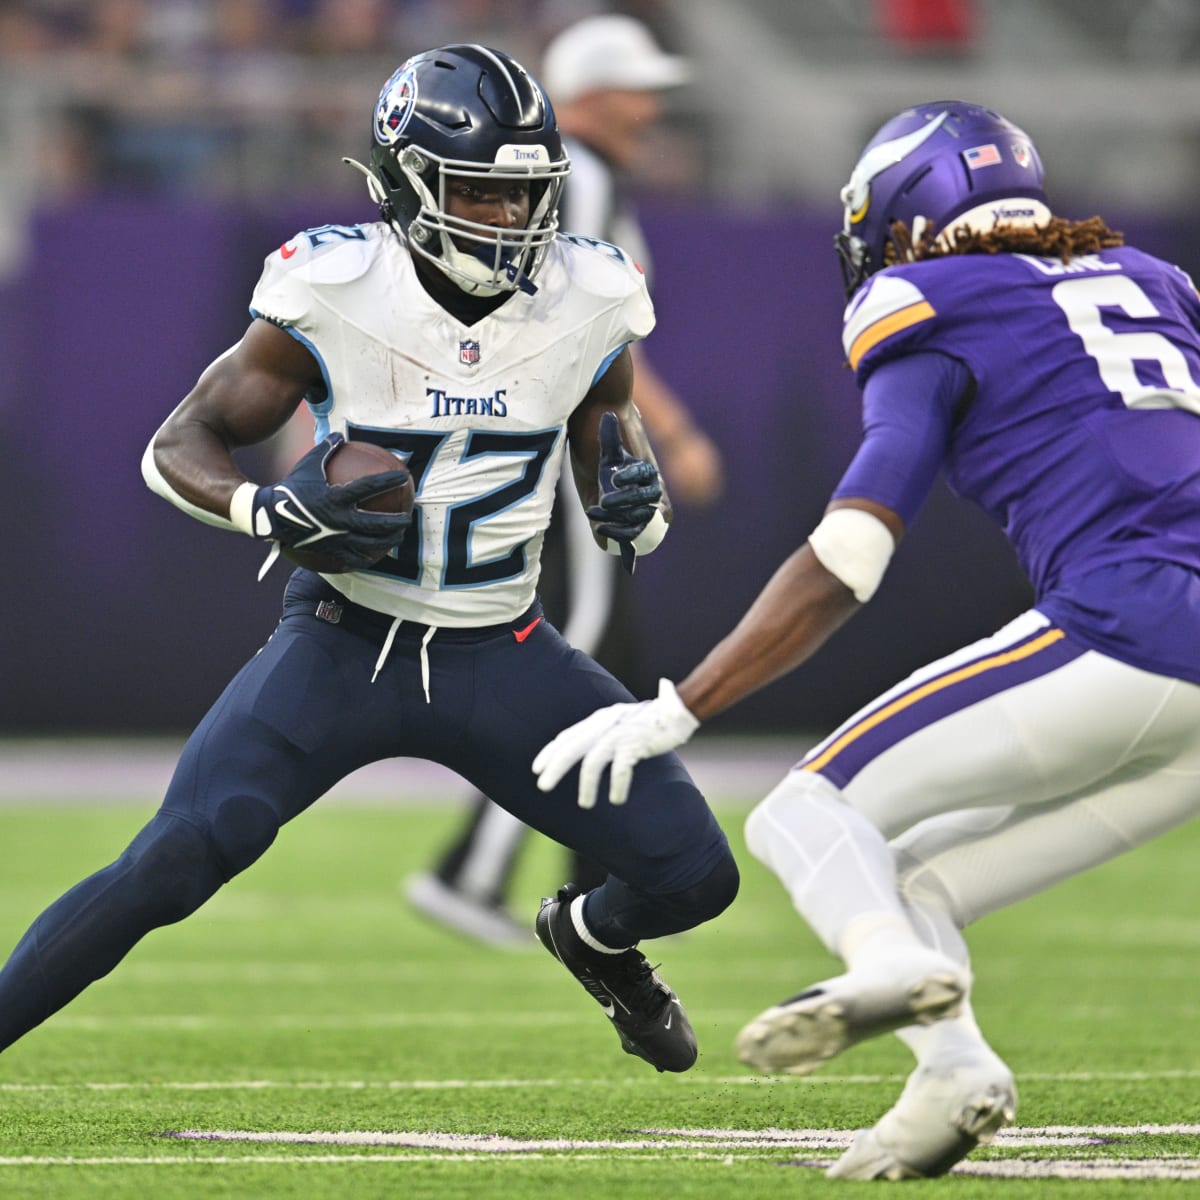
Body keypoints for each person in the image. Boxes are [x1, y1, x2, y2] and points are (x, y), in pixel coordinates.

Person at [0, 45, 738, 1077]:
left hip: (504, 650)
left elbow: (607, 423)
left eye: (527, 193)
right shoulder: (341, 284)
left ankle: (591, 936)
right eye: (480, 189)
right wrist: (268, 509)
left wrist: (632, 497)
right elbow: (183, 441)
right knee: (175, 859)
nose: (510, 217)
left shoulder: (588, 292)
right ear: (409, 179)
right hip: (346, 643)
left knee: (697, 875)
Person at [533, 99, 1200, 1175]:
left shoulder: (925, 294)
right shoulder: (1154, 281)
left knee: (805, 811)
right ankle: (956, 1076)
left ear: (909, 217)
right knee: (915, 872)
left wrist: (681, 705)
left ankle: (882, 965)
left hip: (1127, 624)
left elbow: (852, 553)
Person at [406, 14, 726, 947]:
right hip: (558, 441)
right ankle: (472, 869)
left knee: (612, 671)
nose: (650, 107)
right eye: (636, 88)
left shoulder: (589, 176)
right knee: (577, 645)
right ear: (586, 95)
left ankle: (605, 881)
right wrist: (660, 432)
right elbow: (576, 325)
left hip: (547, 429)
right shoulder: (571, 177)